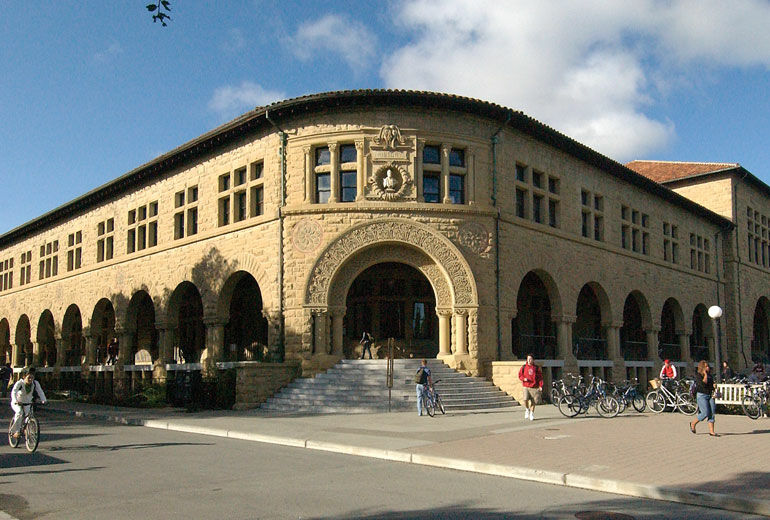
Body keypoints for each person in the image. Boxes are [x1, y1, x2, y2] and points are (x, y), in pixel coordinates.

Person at [9, 367, 47, 439]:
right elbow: (14, 392)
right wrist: (15, 400)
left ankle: (28, 431)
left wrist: (44, 400)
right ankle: (15, 431)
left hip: (28, 403)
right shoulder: (20, 383)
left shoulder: (35, 383)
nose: (30, 379)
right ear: (24, 377)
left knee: (29, 416)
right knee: (19, 413)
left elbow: (40, 391)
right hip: (18, 402)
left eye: (32, 378)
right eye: (28, 378)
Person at [690, 360, 717, 437]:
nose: (708, 368)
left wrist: (714, 387)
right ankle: (693, 423)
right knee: (705, 413)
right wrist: (705, 375)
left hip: (709, 395)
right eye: (706, 367)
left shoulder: (710, 375)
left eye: (708, 366)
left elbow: (711, 385)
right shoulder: (698, 375)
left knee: (712, 412)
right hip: (701, 395)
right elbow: (702, 384)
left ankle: (712, 431)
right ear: (702, 368)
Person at [518, 354, 543, 421]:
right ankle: (527, 409)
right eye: (528, 359)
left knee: (533, 402)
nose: (529, 360)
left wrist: (540, 386)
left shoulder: (536, 368)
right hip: (526, 386)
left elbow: (540, 377)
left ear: (533, 360)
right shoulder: (523, 367)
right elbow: (520, 375)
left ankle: (531, 413)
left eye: (530, 359)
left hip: (534, 387)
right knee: (525, 399)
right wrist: (524, 379)